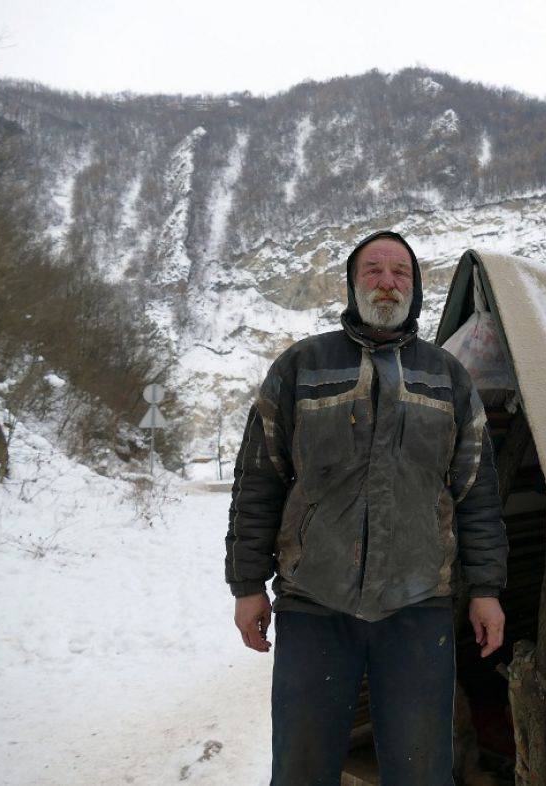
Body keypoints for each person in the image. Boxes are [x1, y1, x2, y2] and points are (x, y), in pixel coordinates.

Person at [224, 229, 509, 785]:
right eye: (372, 271)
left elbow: (475, 491)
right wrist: (247, 585)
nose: (386, 282)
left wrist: (486, 589)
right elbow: (257, 483)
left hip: (418, 603)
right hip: (314, 602)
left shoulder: (447, 377)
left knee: (423, 771)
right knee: (301, 769)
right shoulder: (301, 366)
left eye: (399, 272)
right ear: (353, 286)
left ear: (415, 287)